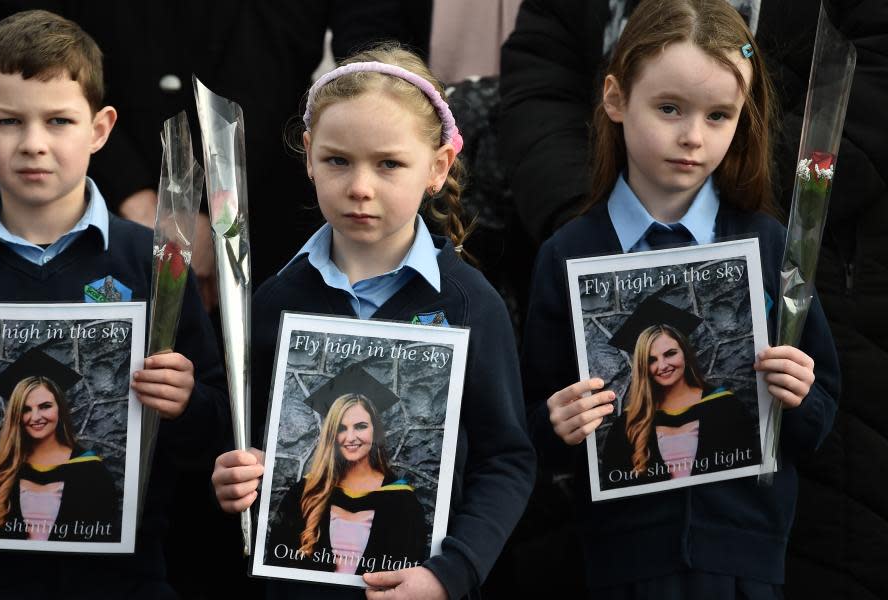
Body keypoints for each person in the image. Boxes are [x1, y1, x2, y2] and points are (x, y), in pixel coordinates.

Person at [0, 10, 227, 597]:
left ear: (100, 129)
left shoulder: (155, 266)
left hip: (126, 578)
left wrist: (186, 401)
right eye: (8, 121)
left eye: (58, 120)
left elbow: (220, 430)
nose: (33, 144)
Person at [520, 1, 839, 597]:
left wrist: (799, 395)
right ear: (616, 99)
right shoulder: (570, 253)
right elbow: (525, 429)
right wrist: (553, 424)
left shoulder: (769, 245)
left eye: (719, 115)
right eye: (669, 108)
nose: (692, 136)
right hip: (619, 566)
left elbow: (820, 420)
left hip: (745, 564)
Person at [212, 43, 535, 599]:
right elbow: (244, 442)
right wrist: (233, 476)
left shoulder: (469, 306)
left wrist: (449, 573)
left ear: (437, 168)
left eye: (389, 163)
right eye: (338, 160)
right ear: (309, 156)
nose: (361, 186)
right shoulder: (270, 303)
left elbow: (507, 460)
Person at [267, 365, 427, 575]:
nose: (350, 437)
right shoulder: (304, 493)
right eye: (342, 428)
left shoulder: (402, 500)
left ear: (374, 430)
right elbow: (278, 566)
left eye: (360, 426)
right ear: (331, 435)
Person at [0, 349, 118, 543]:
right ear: (16, 415)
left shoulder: (92, 471)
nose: (35, 417)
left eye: (45, 406)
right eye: (25, 409)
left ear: (60, 409)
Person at [599, 300, 759, 489]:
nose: (663, 366)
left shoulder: (726, 407)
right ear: (643, 367)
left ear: (685, 353)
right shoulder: (628, 424)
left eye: (670, 354)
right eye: (651, 360)